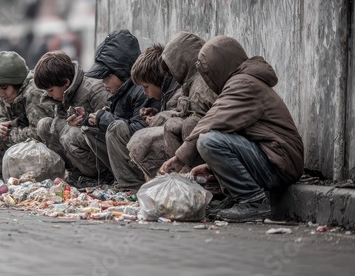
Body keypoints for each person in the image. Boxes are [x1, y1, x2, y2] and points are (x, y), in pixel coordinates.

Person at [159, 35, 304, 222]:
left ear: (219, 67)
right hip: (275, 160)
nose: (208, 78)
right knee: (212, 139)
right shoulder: (242, 82)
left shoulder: (244, 83)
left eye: (208, 72)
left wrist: (180, 157)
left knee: (208, 141)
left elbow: (213, 119)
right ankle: (237, 198)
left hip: (280, 163)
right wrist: (212, 168)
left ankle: (253, 203)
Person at [64, 29, 160, 191]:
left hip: (146, 161)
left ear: (122, 72)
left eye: (107, 76)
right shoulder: (121, 91)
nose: (103, 82)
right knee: (88, 130)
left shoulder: (142, 90)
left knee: (115, 127)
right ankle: (115, 178)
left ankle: (132, 184)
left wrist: (104, 119)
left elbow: (139, 131)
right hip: (129, 155)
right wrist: (87, 118)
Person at [128, 32, 217, 181]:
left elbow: (198, 119)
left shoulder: (201, 85)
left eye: (145, 86)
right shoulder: (191, 82)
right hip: (200, 142)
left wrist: (179, 158)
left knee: (181, 126)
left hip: (209, 142)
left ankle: (192, 182)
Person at [33, 50, 110, 186]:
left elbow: (108, 130)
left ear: (66, 82)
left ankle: (97, 176)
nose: (49, 95)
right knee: (44, 125)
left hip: (102, 156)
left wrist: (83, 123)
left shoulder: (94, 90)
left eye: (50, 90)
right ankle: (74, 171)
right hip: (79, 148)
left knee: (70, 135)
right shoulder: (63, 93)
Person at [0, 51, 54, 165]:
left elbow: (38, 133)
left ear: (17, 83)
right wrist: (0, 127)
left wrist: (8, 134)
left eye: (4, 88)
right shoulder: (6, 95)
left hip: (46, 146)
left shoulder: (33, 92)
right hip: (22, 135)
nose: (1, 94)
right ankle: (8, 170)